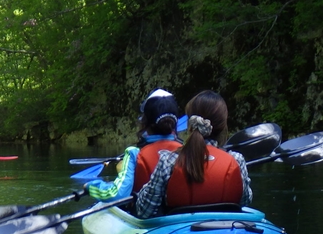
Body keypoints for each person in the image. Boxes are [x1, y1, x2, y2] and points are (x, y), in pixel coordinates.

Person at [135, 90, 253, 218]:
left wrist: (147, 188)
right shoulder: (236, 160)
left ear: (189, 123)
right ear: (223, 125)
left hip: (176, 233)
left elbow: (144, 211)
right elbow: (244, 201)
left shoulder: (168, 160)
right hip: (226, 230)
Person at [85, 89, 182, 202]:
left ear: (145, 122)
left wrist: (91, 186)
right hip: (184, 214)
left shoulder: (134, 154)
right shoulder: (190, 150)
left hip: (146, 216)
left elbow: (117, 195)